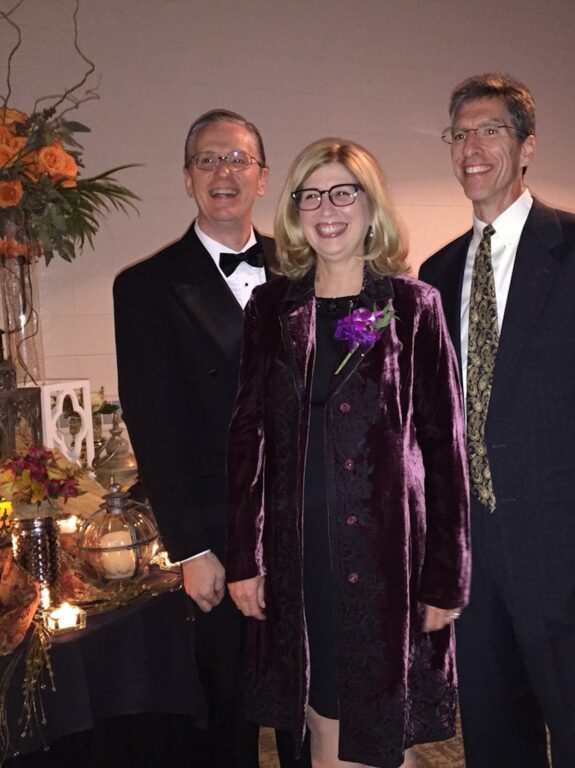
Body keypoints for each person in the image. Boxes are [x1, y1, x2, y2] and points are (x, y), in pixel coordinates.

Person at [419, 74, 575, 767]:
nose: (472, 148)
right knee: (492, 732)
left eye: (490, 130)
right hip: (471, 550)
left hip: (561, 546)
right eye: (459, 134)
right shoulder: (436, 273)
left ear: (526, 147)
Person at [225, 137, 471, 768]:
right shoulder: (273, 308)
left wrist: (446, 577)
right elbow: (249, 435)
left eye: (343, 191)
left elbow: (445, 450)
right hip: (297, 550)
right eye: (311, 194)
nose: (327, 208)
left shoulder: (410, 307)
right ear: (295, 209)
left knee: (366, 720)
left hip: (385, 557)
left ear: (370, 205)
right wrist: (246, 558)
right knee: (319, 712)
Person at [114, 109, 309, 767]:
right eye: (208, 160)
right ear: (188, 178)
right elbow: (154, 425)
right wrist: (190, 548)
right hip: (220, 536)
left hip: (307, 525)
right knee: (228, 711)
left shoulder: (308, 267)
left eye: (238, 159)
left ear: (262, 177)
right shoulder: (144, 288)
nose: (223, 172)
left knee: (309, 708)